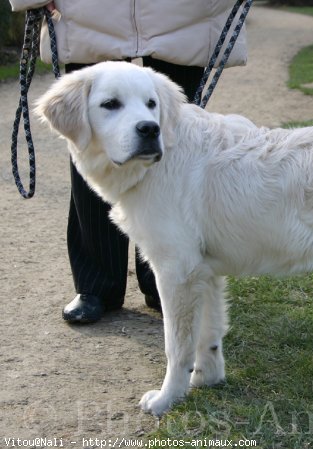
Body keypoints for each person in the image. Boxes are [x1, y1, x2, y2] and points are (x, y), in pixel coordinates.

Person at [9, 0, 247, 323]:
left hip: (181, 11)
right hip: (87, 10)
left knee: (169, 148)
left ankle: (166, 276)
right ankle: (96, 284)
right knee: (90, 140)